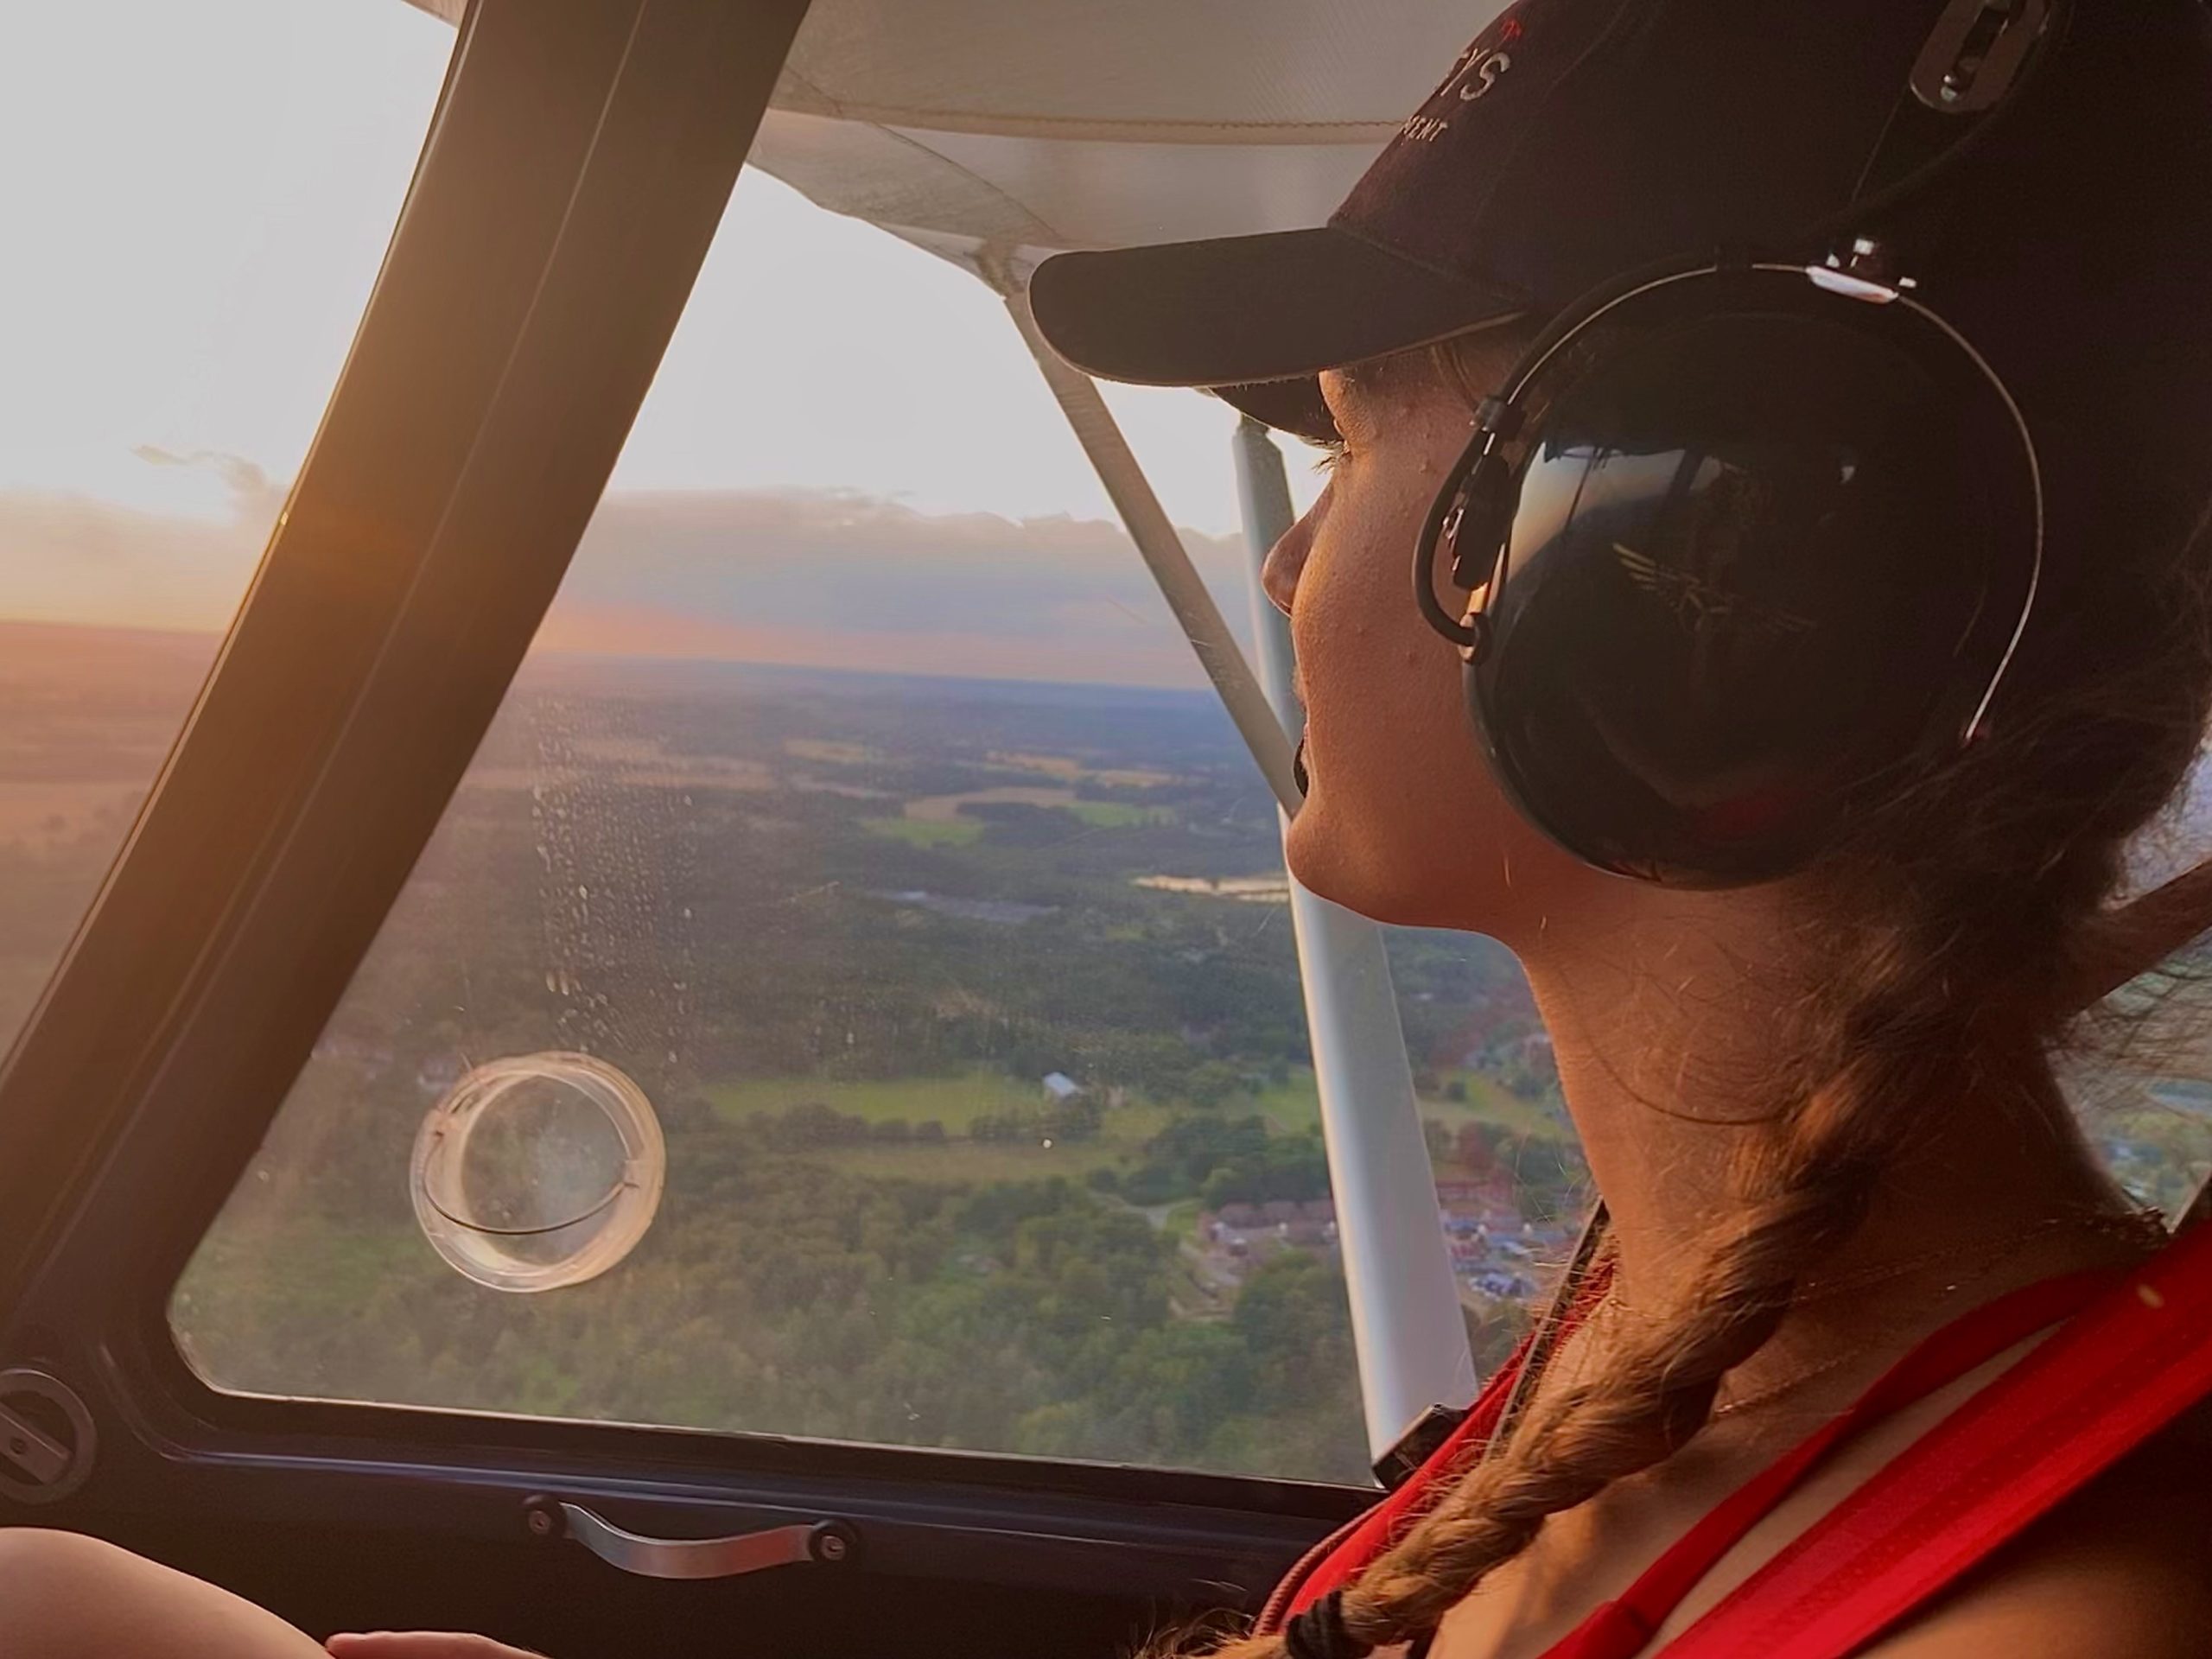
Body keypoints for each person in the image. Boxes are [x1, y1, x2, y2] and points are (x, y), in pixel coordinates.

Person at [4, 0, 2212, 1656]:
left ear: (1678, 579)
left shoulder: (2047, 1617)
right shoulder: (1702, 1339)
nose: (1287, 562)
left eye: (1349, 443)